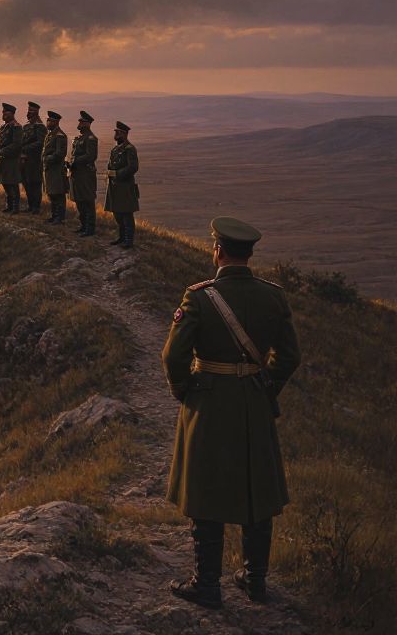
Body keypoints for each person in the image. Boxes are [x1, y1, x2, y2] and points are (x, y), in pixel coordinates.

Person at [162, 217, 302, 609]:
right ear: (249, 253)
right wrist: (265, 387)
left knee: (205, 488)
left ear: (218, 250)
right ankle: (255, 580)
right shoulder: (273, 297)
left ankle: (207, 584)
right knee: (256, 487)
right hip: (254, 402)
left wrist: (184, 390)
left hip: (208, 402)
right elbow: (289, 356)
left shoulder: (199, 297)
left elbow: (173, 356)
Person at [105, 121, 140, 248]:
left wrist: (117, 174)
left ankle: (128, 240)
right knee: (118, 214)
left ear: (124, 134)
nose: (116, 134)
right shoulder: (115, 149)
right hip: (115, 186)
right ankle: (121, 237)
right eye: (116, 132)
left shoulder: (130, 149)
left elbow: (133, 167)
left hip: (125, 186)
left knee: (127, 214)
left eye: (118, 133)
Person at [68, 111, 98, 236]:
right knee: (79, 201)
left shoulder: (91, 138)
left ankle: (90, 228)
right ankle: (83, 225)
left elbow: (91, 156)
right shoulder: (79, 138)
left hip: (85, 174)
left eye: (81, 122)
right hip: (77, 174)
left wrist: (75, 160)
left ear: (87, 124)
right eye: (79, 121)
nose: (79, 123)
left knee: (87, 201)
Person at [0, 102, 23, 213]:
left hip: (12, 159)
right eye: (3, 112)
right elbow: (1, 141)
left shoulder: (16, 127)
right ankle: (9, 205)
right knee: (5, 182)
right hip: (3, 159)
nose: (4, 114)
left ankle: (15, 207)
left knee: (13, 183)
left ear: (12, 113)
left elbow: (17, 144)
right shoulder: (4, 126)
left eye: (6, 112)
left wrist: (3, 150)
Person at [41, 111, 69, 224]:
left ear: (56, 122)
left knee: (58, 194)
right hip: (49, 169)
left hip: (56, 169)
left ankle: (60, 217)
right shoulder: (50, 134)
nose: (48, 122)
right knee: (51, 193)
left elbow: (59, 153)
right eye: (47, 120)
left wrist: (48, 158)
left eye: (50, 121)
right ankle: (54, 215)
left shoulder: (60, 136)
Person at [21, 102, 46, 214]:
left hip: (35, 160)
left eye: (31, 111)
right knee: (26, 183)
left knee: (35, 183)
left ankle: (36, 207)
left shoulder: (40, 126)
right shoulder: (26, 126)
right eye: (28, 110)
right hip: (24, 160)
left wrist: (25, 148)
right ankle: (30, 205)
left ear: (36, 113)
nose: (28, 113)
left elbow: (40, 143)